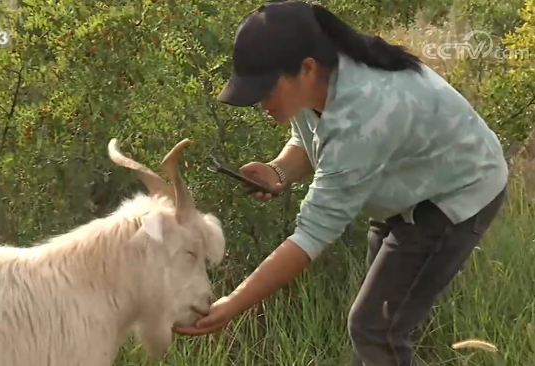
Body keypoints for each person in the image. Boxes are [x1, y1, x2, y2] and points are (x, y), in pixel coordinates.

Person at [173, 1, 508, 365]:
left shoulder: (363, 113)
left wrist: (232, 304)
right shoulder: (319, 78)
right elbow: (310, 138)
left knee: (374, 329)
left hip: (456, 193)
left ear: (306, 68)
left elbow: (310, 237)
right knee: (374, 326)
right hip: (402, 185)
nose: (261, 102)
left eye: (266, 89)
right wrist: (279, 171)